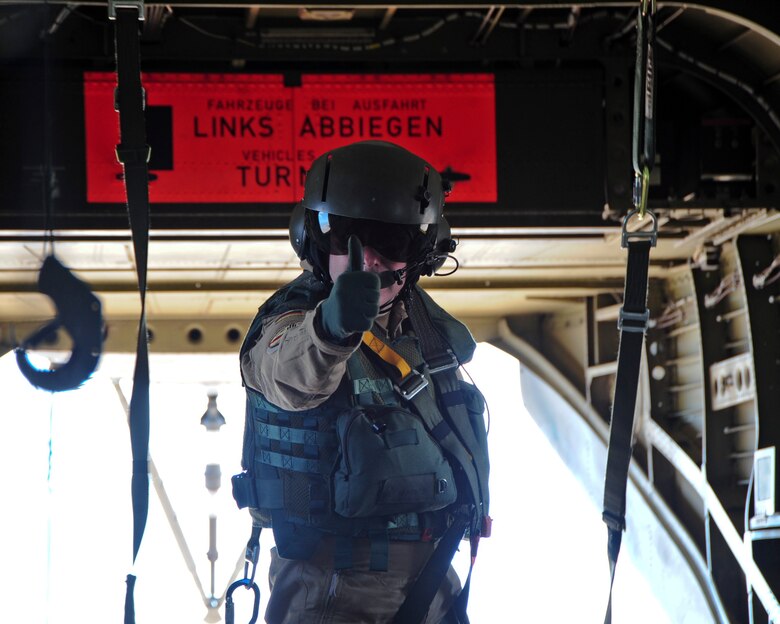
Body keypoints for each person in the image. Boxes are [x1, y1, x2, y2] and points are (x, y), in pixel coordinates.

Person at [232, 140, 490, 624]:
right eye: (345, 237)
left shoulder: (427, 333)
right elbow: (289, 374)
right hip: (334, 590)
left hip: (436, 583)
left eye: (390, 243)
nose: (366, 259)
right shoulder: (291, 323)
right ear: (313, 239)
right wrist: (332, 329)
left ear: (423, 253)